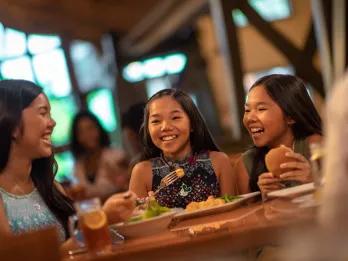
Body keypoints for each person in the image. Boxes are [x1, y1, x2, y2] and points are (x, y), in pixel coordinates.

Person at [0, 79, 136, 244]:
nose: (52, 123)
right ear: (13, 124)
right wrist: (101, 218)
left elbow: (78, 241)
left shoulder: (52, 188)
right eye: (43, 113)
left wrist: (107, 219)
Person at [129, 89, 236, 208]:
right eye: (156, 121)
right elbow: (139, 222)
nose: (165, 127)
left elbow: (232, 211)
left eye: (175, 118)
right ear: (148, 130)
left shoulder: (219, 162)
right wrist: (146, 209)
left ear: (193, 124)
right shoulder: (142, 172)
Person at [235, 74, 322, 195]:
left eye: (261, 109)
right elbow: (246, 212)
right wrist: (265, 197)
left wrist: (315, 180)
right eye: (247, 110)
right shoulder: (246, 164)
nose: (250, 118)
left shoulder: (315, 147)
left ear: (290, 116)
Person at [70, 111, 129, 200]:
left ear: (99, 129)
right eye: (81, 132)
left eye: (90, 128)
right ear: (77, 137)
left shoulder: (116, 156)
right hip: (93, 213)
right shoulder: (78, 166)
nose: (87, 135)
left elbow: (128, 189)